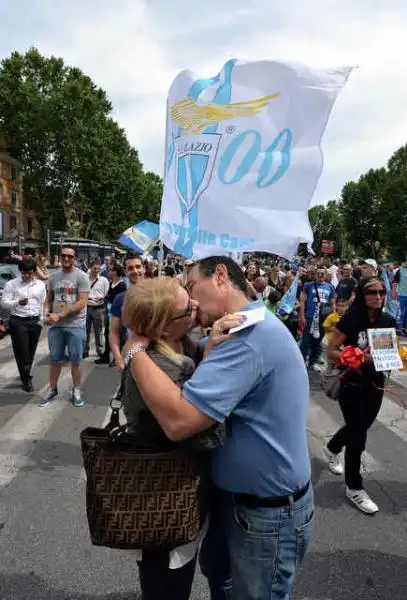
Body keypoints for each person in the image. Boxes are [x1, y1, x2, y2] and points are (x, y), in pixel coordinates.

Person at [127, 256, 313, 600]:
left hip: (264, 513)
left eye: (192, 285)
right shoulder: (248, 323)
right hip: (243, 503)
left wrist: (134, 349)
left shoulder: (248, 337)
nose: (192, 300)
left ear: (222, 276)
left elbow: (180, 421)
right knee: (224, 585)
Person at [121, 276, 225, 600]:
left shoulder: (174, 344)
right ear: (163, 328)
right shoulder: (157, 362)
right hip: (164, 495)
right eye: (186, 308)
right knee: (167, 581)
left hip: (176, 489)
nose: (195, 306)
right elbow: (201, 430)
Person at [325, 277, 394, 514]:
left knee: (362, 425)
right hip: (351, 383)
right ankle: (354, 486)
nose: (378, 296)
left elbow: (387, 353)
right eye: (372, 292)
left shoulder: (388, 320)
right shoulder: (351, 319)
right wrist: (354, 356)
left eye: (381, 292)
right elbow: (332, 350)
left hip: (375, 383)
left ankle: (332, 447)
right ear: (362, 295)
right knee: (358, 433)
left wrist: (397, 357)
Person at [42, 246, 90, 407]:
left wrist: (60, 315)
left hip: (75, 325)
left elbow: (82, 302)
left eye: (70, 256)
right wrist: (46, 314)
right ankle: (52, 388)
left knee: (76, 361)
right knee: (55, 360)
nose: (67, 259)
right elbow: (49, 298)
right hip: (56, 326)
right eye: (64, 256)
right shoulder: (53, 277)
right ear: (59, 257)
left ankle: (76, 390)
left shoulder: (82, 276)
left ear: (75, 258)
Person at [1, 258, 46, 392]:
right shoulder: (11, 284)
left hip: (34, 322)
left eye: (29, 273)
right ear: (20, 272)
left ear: (34, 272)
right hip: (18, 321)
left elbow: (43, 303)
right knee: (22, 352)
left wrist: (41, 320)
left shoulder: (40, 285)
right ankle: (26, 379)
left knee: (30, 351)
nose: (26, 276)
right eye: (23, 273)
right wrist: (17, 302)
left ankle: (26, 372)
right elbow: (4, 303)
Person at [109, 253, 145, 372]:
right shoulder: (120, 299)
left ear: (143, 268)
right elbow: (114, 332)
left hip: (159, 355)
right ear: (125, 271)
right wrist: (118, 358)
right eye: (130, 268)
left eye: (138, 266)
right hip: (132, 355)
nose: (135, 271)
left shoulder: (158, 293)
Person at [299, 267, 336, 371]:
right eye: (318, 273)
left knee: (318, 341)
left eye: (322, 273)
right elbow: (302, 301)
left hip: (323, 319)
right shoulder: (308, 285)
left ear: (326, 275)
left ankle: (313, 362)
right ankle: (301, 362)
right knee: (306, 341)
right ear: (315, 275)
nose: (320, 275)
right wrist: (302, 316)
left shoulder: (330, 287)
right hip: (310, 317)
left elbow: (333, 303)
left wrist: (333, 318)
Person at [95, 262, 127, 365]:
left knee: (118, 334)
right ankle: (106, 355)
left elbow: (118, 299)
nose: (108, 271)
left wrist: (105, 297)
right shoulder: (110, 283)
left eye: (111, 270)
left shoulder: (122, 285)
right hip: (108, 312)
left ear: (116, 272)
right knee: (107, 333)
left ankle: (117, 356)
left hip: (118, 314)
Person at [84, 260, 109, 358]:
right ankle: (85, 350)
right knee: (85, 330)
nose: (96, 270)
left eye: (98, 269)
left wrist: (101, 298)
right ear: (90, 268)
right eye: (94, 268)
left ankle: (99, 350)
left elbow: (106, 293)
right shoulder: (85, 279)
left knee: (98, 331)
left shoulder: (104, 280)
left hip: (99, 308)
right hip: (87, 307)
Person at [392, 261, 407, 335]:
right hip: (402, 295)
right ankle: (398, 329)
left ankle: (403, 328)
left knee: (405, 313)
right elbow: (395, 283)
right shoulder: (400, 270)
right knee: (401, 313)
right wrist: (394, 293)